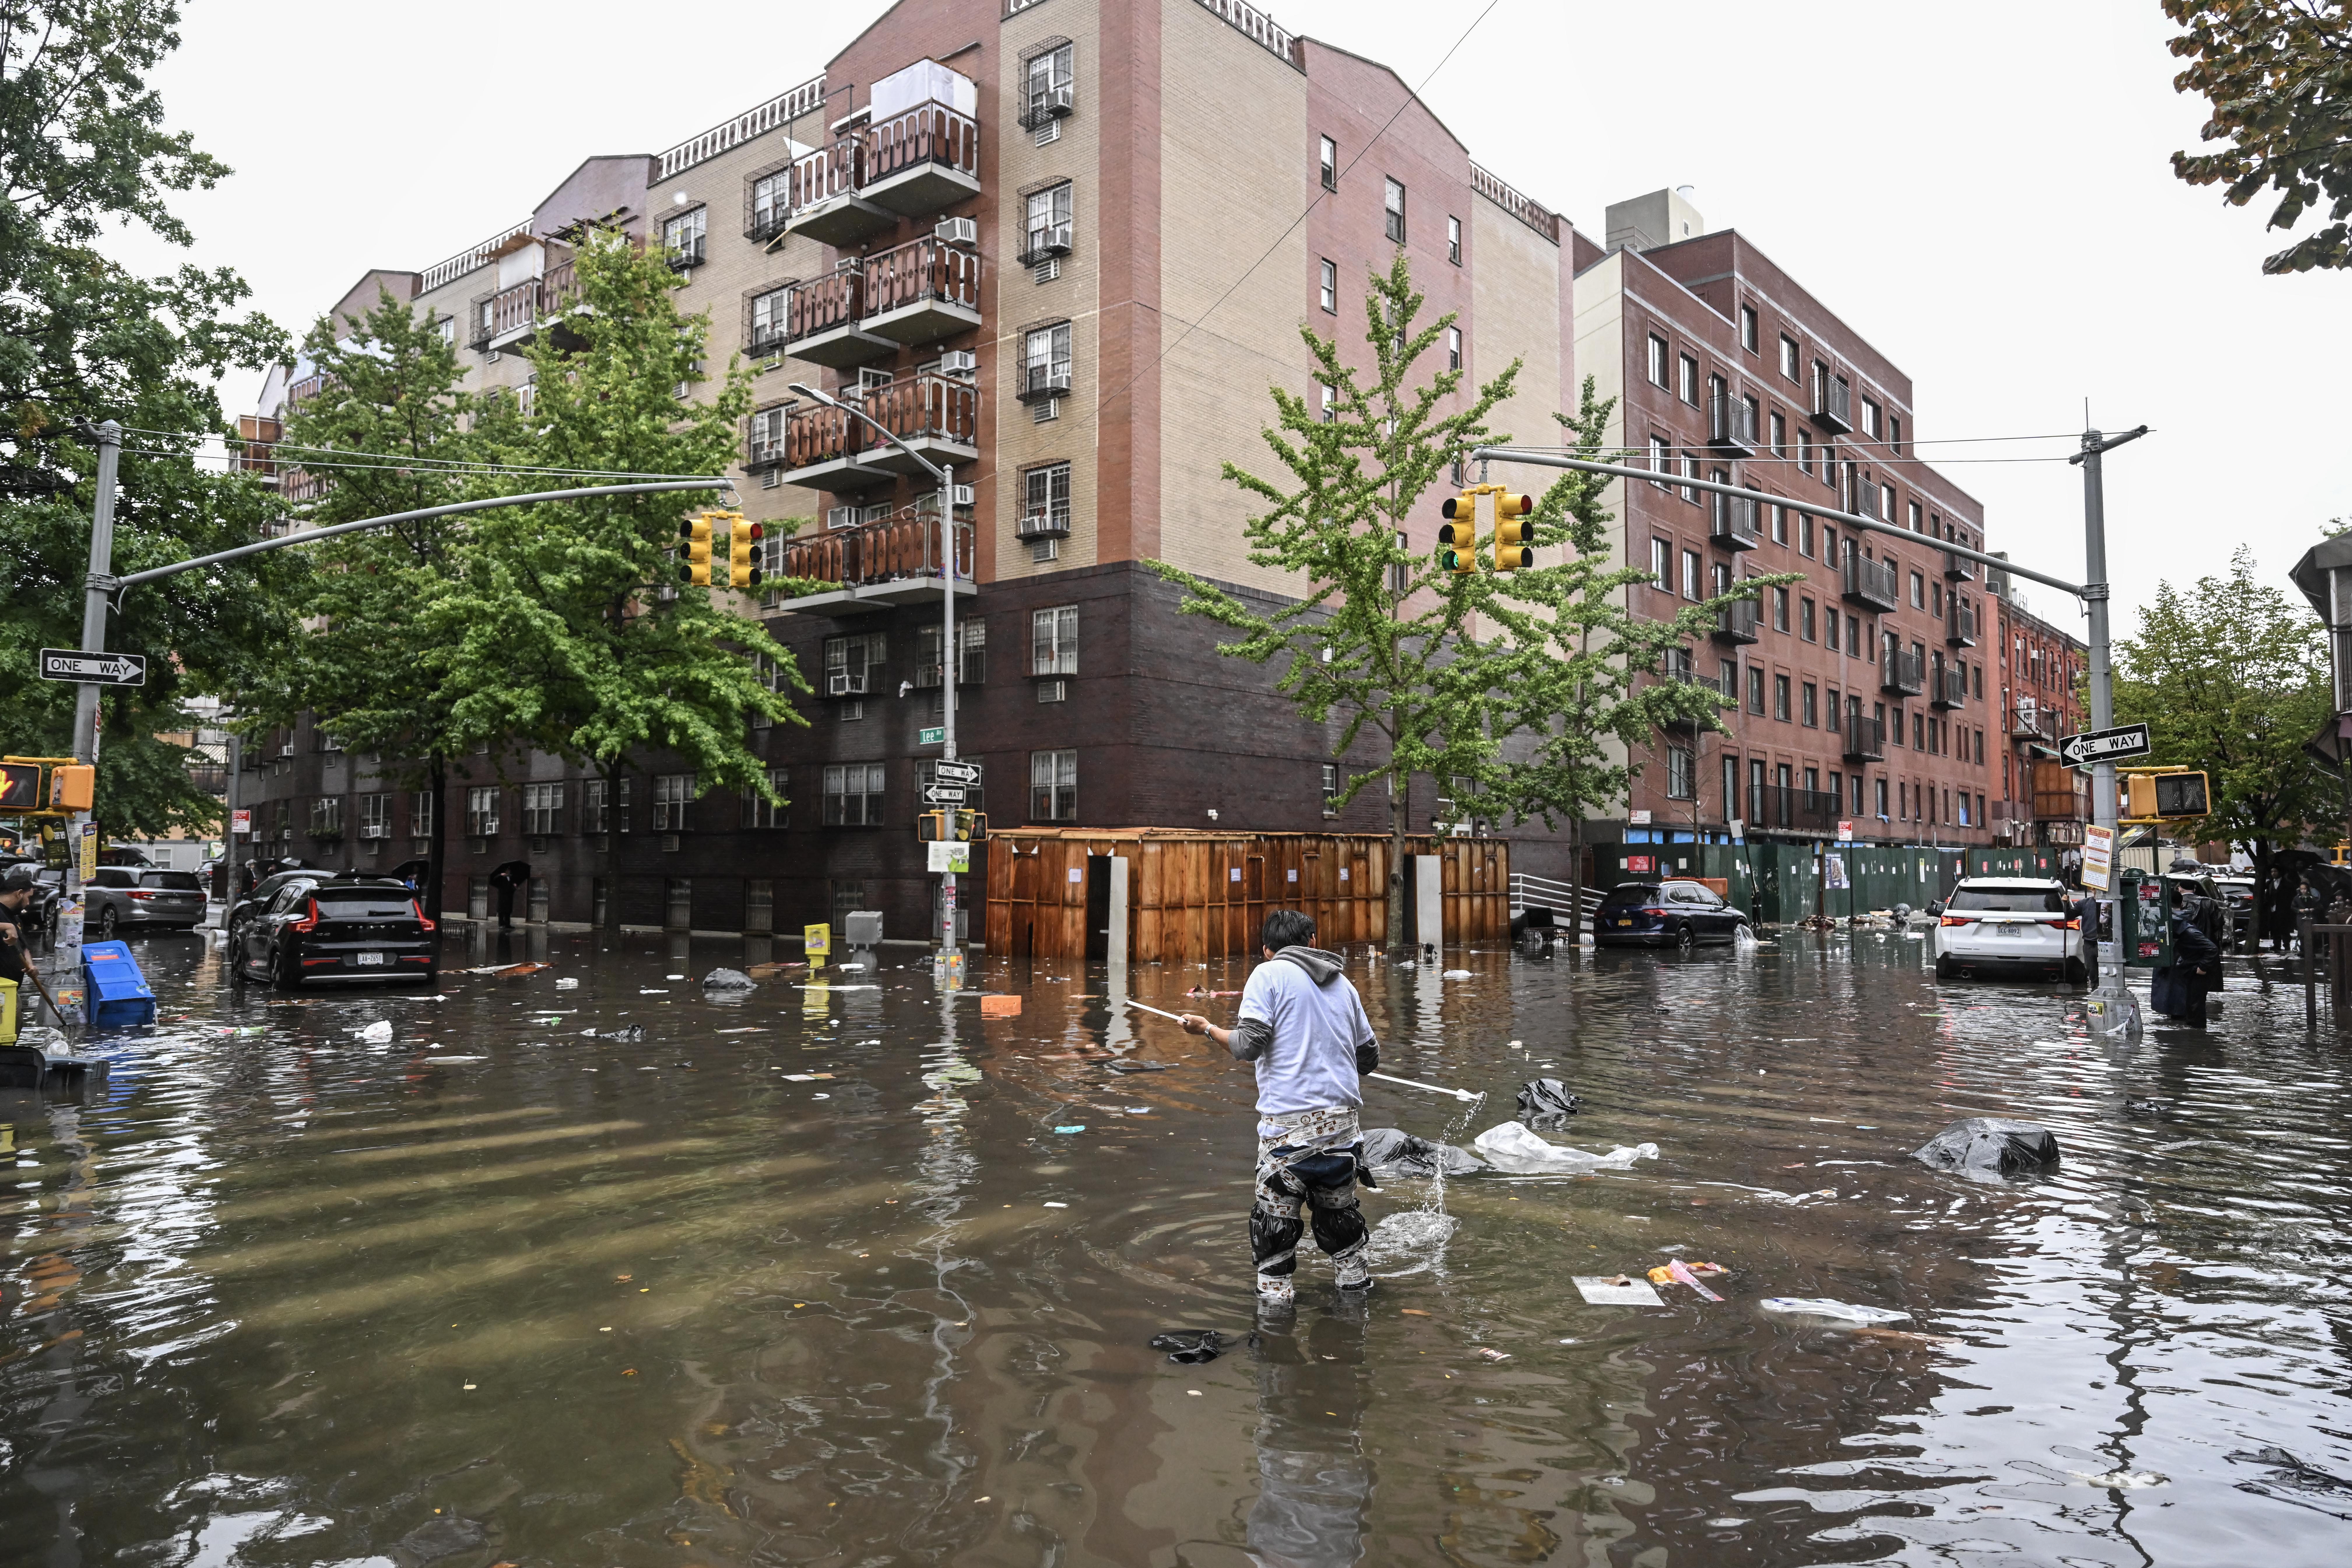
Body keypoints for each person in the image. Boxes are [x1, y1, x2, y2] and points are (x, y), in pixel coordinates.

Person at [1180, 910, 1380, 1308]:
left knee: (1274, 1238)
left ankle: (1274, 1335)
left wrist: (1206, 1028)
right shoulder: (1344, 984)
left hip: (1287, 1139)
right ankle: (1355, 1322)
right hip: (1342, 1136)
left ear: (1268, 949)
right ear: (1312, 940)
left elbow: (1247, 1045)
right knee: (1344, 1235)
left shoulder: (1267, 974)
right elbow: (1368, 1058)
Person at [2151, 893, 2222, 1025]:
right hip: (2190, 971)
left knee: (2194, 1011)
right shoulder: (2183, 928)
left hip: (2198, 972)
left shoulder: (2188, 931)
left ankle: (2195, 1040)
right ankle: (2192, 1038)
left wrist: (2202, 968)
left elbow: (2212, 949)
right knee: (2189, 1009)